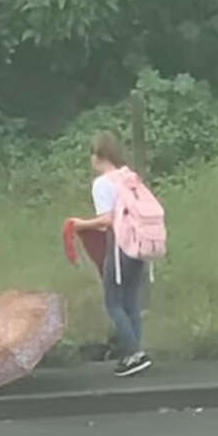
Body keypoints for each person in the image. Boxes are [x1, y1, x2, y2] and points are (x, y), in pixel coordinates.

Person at [66, 131, 153, 378]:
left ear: (98, 155)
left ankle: (135, 354)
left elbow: (107, 221)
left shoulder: (103, 183)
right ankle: (135, 354)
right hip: (140, 245)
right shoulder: (129, 177)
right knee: (131, 302)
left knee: (114, 303)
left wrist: (80, 224)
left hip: (120, 245)